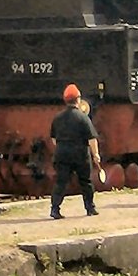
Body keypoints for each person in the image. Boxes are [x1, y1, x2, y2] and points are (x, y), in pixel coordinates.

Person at [49, 84, 100, 220]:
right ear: (78, 99)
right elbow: (92, 139)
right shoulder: (83, 118)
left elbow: (53, 139)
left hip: (62, 153)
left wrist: (62, 146)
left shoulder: (57, 117)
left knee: (61, 182)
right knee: (86, 182)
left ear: (65, 100)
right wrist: (96, 155)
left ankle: (55, 209)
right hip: (80, 154)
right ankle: (90, 208)